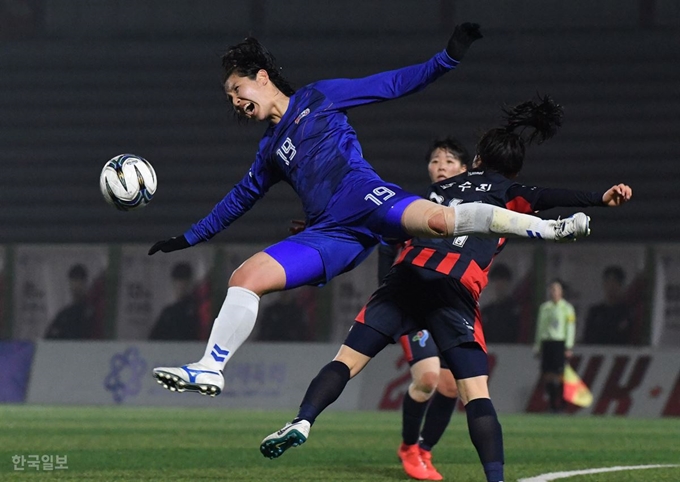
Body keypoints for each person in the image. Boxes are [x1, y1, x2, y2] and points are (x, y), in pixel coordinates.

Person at [148, 24, 591, 398]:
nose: (235, 102)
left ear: (261, 77)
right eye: (229, 99)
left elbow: (391, 84)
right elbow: (239, 199)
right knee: (245, 278)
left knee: (440, 221)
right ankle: (210, 367)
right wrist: (188, 238)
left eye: (236, 90)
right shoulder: (268, 151)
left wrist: (447, 58)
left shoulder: (318, 98)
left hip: (368, 198)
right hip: (331, 234)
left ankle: (549, 230)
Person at [260, 95, 633, 482]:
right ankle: (494, 477)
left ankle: (303, 420)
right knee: (475, 395)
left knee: (346, 362)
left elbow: (384, 218)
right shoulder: (511, 192)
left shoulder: (437, 192)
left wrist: (319, 227)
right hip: (453, 289)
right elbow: (550, 197)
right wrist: (598, 200)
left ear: (476, 160)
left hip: (404, 279)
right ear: (513, 169)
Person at [533, 278, 576, 413]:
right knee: (547, 374)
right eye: (551, 290)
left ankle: (562, 403)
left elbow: (570, 327)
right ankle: (552, 405)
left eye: (556, 289)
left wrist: (568, 346)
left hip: (559, 343)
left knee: (560, 374)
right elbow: (540, 327)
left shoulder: (567, 308)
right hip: (547, 343)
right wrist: (538, 345)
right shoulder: (545, 308)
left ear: (561, 292)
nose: (553, 292)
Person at [148, 262, 200, 341]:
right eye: (177, 281)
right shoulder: (168, 312)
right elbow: (153, 339)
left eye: (184, 281)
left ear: (190, 282)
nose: (181, 285)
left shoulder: (198, 309)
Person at [582, 265, 633, 345]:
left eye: (615, 282)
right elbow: (587, 338)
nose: (611, 287)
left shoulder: (627, 312)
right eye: (608, 282)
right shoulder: (595, 312)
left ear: (621, 285)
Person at [44, 264, 93, 339]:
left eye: (80, 280)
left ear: (85, 283)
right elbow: (49, 338)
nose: (76, 285)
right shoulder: (64, 315)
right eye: (73, 280)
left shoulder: (92, 312)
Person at [480, 263, 522, 343]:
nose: (499, 285)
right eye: (496, 281)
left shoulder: (515, 309)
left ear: (508, 283)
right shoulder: (486, 311)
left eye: (502, 281)